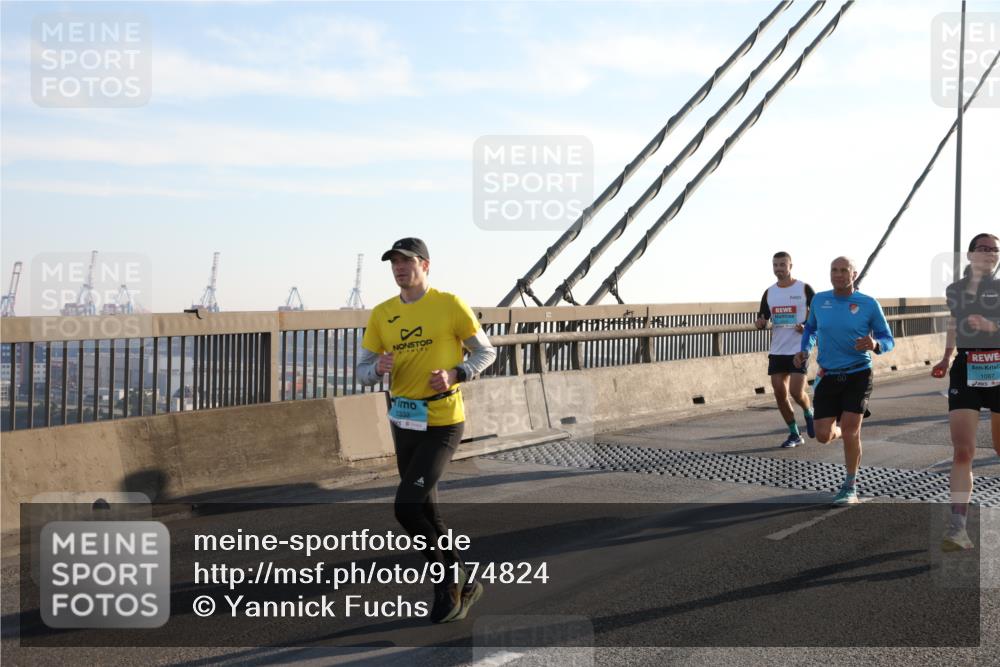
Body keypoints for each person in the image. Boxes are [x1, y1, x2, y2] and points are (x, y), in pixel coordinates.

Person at [357, 237, 497, 622]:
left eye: (407, 262)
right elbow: (362, 369)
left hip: (443, 422)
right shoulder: (383, 314)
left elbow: (486, 351)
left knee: (405, 506)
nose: (400, 268)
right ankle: (463, 581)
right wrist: (377, 370)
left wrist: (456, 372)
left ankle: (447, 581)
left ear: (426, 265)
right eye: (394, 264)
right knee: (427, 512)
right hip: (404, 422)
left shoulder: (449, 305)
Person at [794, 257, 894, 506]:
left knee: (852, 431)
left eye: (844, 270)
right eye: (834, 270)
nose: (838, 275)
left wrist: (876, 344)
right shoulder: (819, 300)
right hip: (827, 374)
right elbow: (810, 329)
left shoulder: (868, 304)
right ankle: (837, 429)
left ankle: (850, 486)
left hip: (858, 373)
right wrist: (805, 349)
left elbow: (888, 338)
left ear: (854, 274)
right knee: (823, 435)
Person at [931, 233, 1000, 551]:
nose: (990, 254)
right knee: (963, 451)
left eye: (995, 250)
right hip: (967, 369)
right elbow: (954, 323)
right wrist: (946, 357)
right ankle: (958, 527)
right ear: (971, 254)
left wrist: (993, 328)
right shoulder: (955, 290)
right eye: (983, 249)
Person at [755, 251, 816, 448]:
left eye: (782, 265)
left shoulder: (804, 288)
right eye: (775, 265)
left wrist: (806, 325)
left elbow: (817, 315)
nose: (779, 269)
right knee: (780, 394)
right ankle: (794, 434)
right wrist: (761, 322)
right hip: (777, 349)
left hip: (799, 348)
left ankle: (809, 412)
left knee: (797, 392)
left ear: (790, 266)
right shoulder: (769, 292)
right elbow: (762, 320)